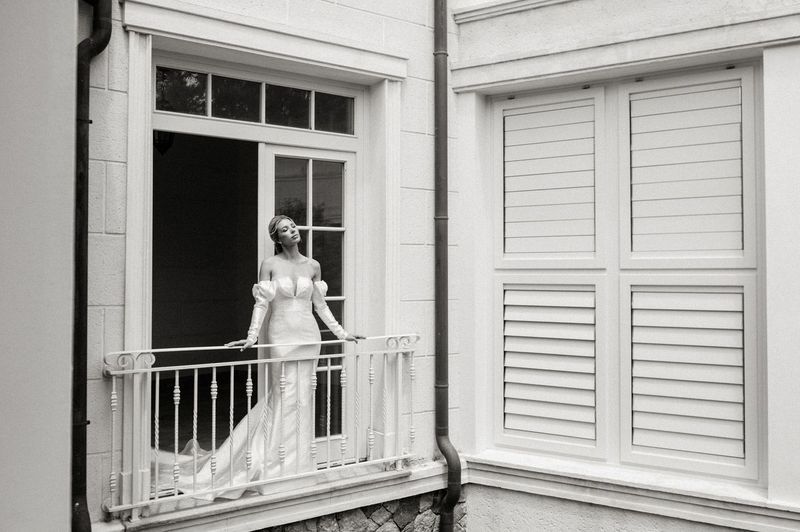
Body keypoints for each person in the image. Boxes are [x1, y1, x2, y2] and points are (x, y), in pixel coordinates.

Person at [157, 215, 360, 500]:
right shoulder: (270, 265)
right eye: (285, 230)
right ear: (277, 239)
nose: (293, 231)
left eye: (293, 226)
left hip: (308, 336)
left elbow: (321, 306)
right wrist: (252, 337)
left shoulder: (313, 265)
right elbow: (261, 304)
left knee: (304, 398)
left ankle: (298, 465)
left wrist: (342, 333)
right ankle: (272, 465)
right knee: (284, 396)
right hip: (281, 336)